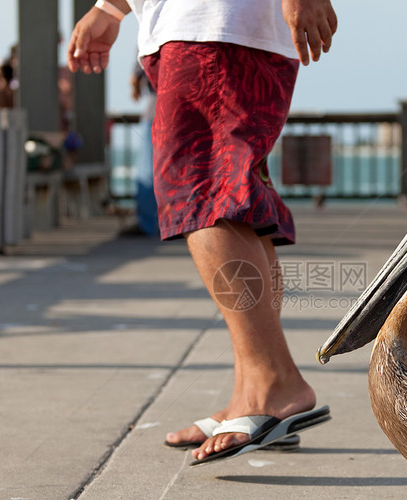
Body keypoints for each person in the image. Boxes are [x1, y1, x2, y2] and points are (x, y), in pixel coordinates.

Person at [68, 0, 338, 463]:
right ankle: (251, 390)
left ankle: (272, 382)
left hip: (214, 26)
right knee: (231, 201)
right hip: (199, 28)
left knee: (204, 198)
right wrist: (111, 9)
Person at [119, 59, 159, 236]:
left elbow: (143, 60)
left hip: (158, 106)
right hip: (194, 102)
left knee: (147, 170)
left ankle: (148, 224)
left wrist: (136, 77)